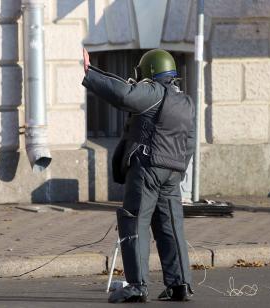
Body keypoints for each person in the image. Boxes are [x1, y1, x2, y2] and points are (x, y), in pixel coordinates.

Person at [82, 48, 195, 303]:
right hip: (172, 173)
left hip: (147, 169)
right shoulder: (186, 102)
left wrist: (90, 73)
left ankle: (137, 285)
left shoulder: (153, 92)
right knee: (171, 227)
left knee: (135, 223)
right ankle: (180, 284)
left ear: (150, 72)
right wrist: (176, 169)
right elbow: (190, 142)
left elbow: (123, 94)